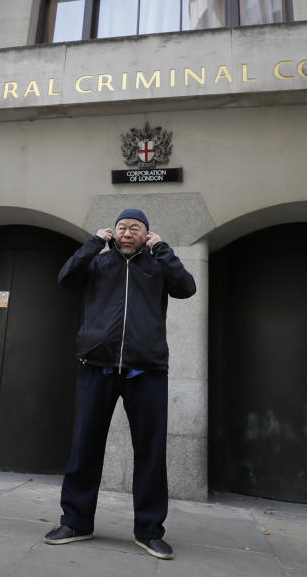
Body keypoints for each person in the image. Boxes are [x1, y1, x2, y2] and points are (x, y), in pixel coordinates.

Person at [43, 209, 196, 560]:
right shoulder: (98, 263)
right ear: (113, 233)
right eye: (122, 228)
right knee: (85, 447)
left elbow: (186, 288)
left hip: (147, 371)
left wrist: (164, 250)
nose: (127, 233)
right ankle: (76, 522)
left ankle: (149, 531)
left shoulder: (157, 265)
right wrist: (94, 243)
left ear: (147, 234)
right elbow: (66, 277)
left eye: (136, 229)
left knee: (151, 453)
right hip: (96, 368)